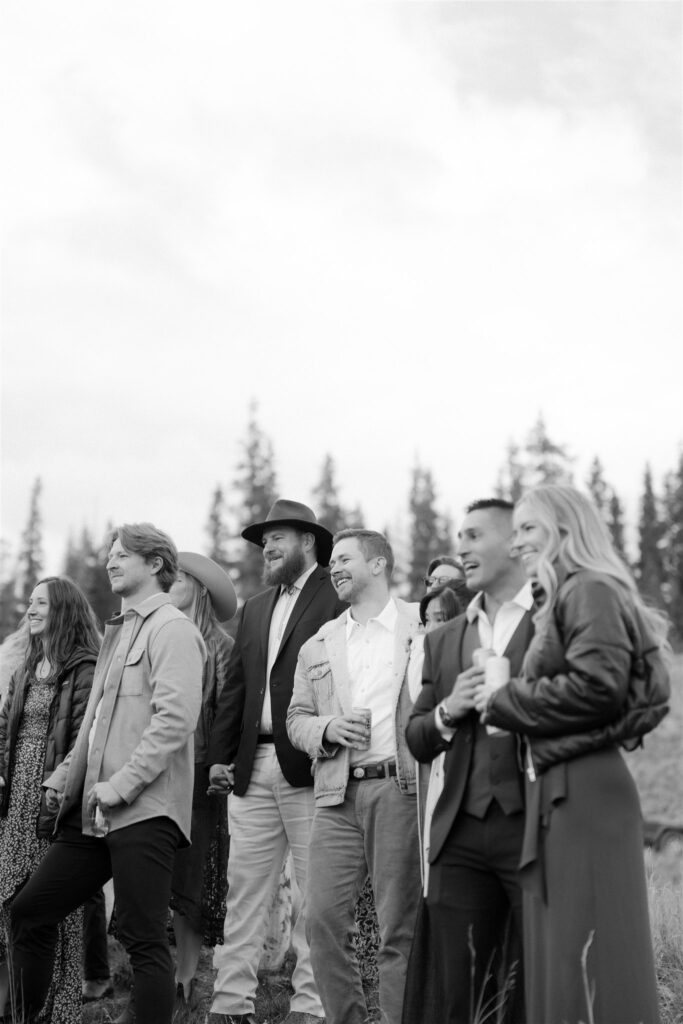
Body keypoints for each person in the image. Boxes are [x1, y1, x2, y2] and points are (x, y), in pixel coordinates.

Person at [475, 485, 665, 1024]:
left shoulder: (589, 589)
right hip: (559, 783)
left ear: (566, 527)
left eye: (529, 529)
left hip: (584, 790)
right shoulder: (562, 596)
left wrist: (503, 700)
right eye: (514, 534)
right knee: (564, 948)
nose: (517, 546)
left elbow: (599, 686)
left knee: (590, 948)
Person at [8, 523, 205, 1024]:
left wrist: (119, 786)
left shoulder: (174, 630)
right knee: (29, 911)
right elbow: (95, 724)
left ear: (156, 564)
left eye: (122, 555)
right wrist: (66, 777)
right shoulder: (120, 631)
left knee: (143, 942)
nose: (111, 562)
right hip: (91, 812)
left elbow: (174, 722)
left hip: (144, 810)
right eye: (109, 555)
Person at [206, 499, 344, 1024]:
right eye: (264, 540)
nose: (267, 546)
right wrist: (221, 757)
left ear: (307, 541)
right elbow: (235, 688)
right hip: (251, 766)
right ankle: (228, 1005)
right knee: (243, 893)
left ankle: (308, 1008)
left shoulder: (336, 594)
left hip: (311, 764)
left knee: (315, 896)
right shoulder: (255, 606)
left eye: (277, 537)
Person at [405, 499, 534, 1024]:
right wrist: (447, 711)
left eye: (475, 535)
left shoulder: (552, 619)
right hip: (458, 833)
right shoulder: (443, 640)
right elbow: (416, 737)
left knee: (533, 981)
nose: (462, 547)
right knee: (459, 987)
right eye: (460, 536)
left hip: (535, 826)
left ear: (513, 542)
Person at [287, 528, 422, 1024]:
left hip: (399, 789)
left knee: (398, 929)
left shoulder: (420, 627)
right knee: (320, 921)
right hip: (336, 794)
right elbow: (296, 718)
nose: (334, 568)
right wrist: (328, 727)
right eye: (332, 562)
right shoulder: (319, 643)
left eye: (344, 558)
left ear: (379, 564)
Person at [0, 577, 100, 1023]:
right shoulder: (27, 665)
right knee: (11, 902)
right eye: (30, 601)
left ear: (63, 610)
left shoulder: (85, 668)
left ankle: (56, 1009)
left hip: (53, 802)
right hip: (14, 799)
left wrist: (59, 792)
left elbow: (84, 737)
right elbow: (6, 727)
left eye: (41, 602)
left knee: (49, 910)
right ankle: (16, 1003)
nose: (31, 609)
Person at [168, 552, 237, 1011]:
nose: (168, 584)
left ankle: (186, 978)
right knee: (158, 872)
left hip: (198, 773)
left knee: (193, 876)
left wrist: (217, 764)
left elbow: (227, 713)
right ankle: (154, 970)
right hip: (158, 768)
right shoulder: (160, 634)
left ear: (198, 588)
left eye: (176, 578)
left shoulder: (223, 646)